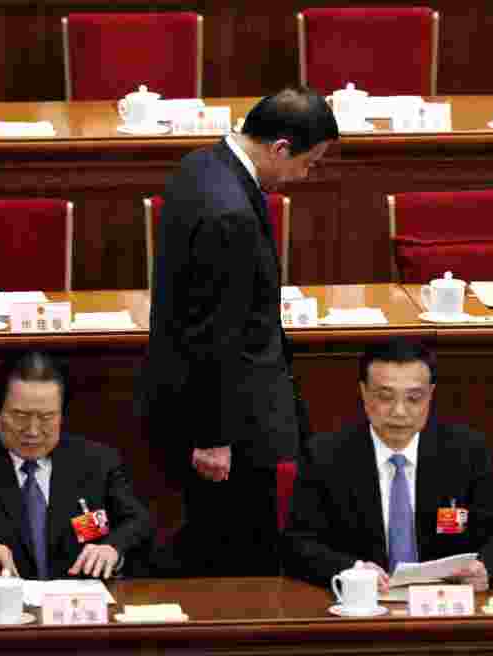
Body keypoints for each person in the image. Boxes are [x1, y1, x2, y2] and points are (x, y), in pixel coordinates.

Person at [139, 87, 338, 576]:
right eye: (308, 164)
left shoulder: (200, 164)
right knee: (237, 557)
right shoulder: (229, 213)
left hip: (201, 401)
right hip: (231, 425)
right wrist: (214, 436)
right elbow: (213, 333)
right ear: (281, 148)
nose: (304, 176)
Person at [283, 338, 493, 591]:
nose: (399, 411)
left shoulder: (466, 453)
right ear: (364, 393)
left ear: (430, 395)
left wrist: (486, 568)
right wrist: (352, 570)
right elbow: (298, 546)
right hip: (363, 603)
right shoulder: (325, 456)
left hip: (442, 602)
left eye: (414, 398)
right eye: (385, 397)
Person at [0, 351, 153, 580]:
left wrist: (112, 548)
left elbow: (138, 522)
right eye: (20, 415)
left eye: (47, 417)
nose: (33, 431)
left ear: (62, 413)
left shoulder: (98, 462)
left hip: (78, 600)